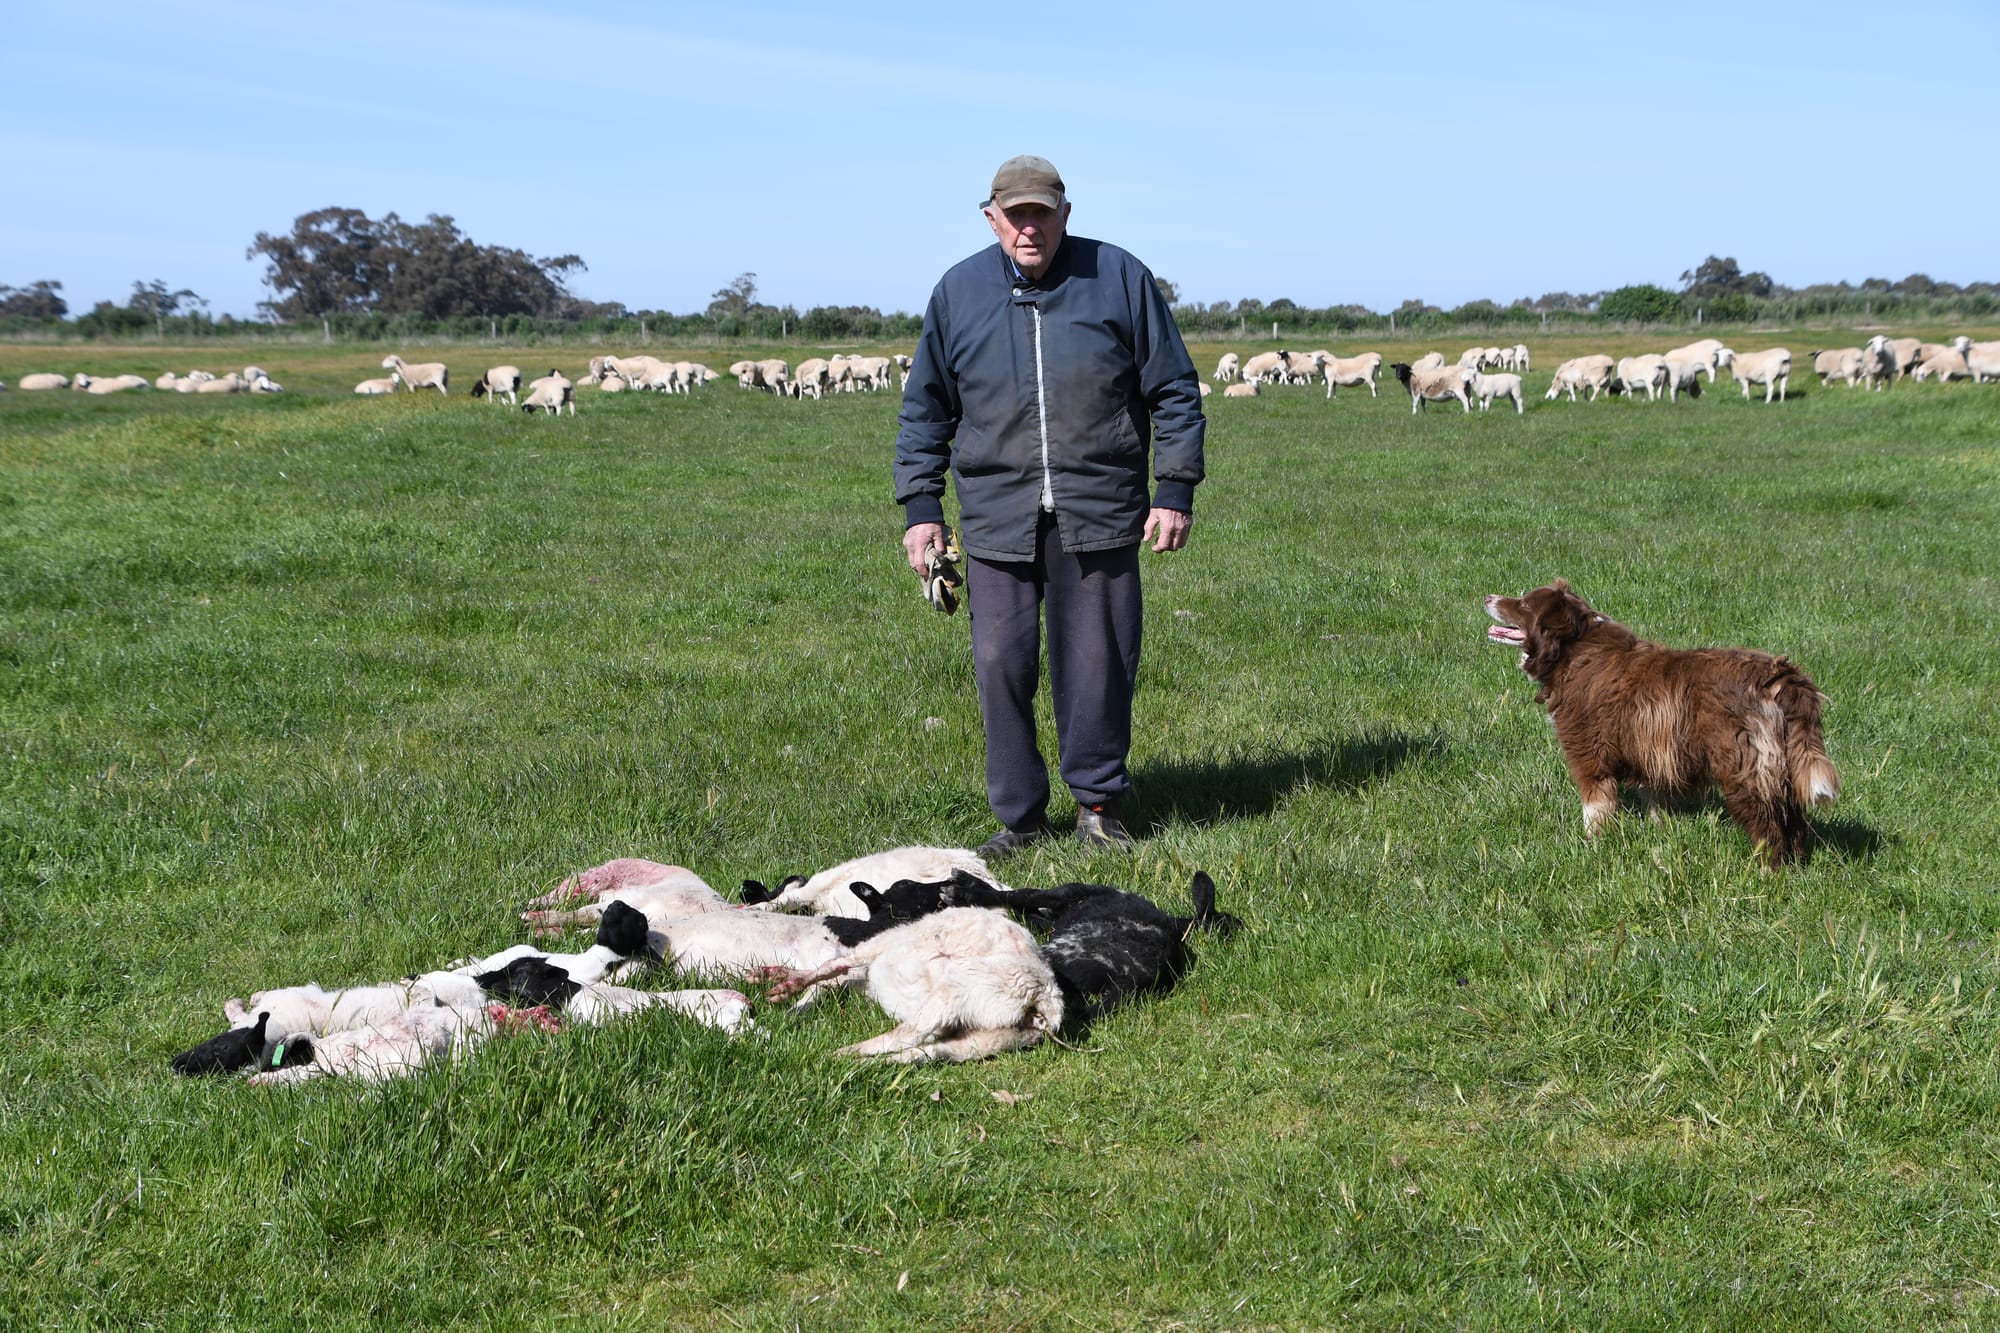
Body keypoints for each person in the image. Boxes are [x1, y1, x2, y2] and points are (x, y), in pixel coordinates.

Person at [893, 155, 1206, 858]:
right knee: (1001, 662)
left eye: (1042, 213)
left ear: (1065, 214)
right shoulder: (959, 292)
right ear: (992, 217)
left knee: (1098, 661)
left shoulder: (1118, 277)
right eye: (1016, 215)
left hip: (1098, 508)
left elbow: (1175, 389)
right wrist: (921, 506)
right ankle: (1021, 818)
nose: (1029, 228)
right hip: (996, 513)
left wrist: (1175, 488)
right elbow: (926, 410)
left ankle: (1098, 804)